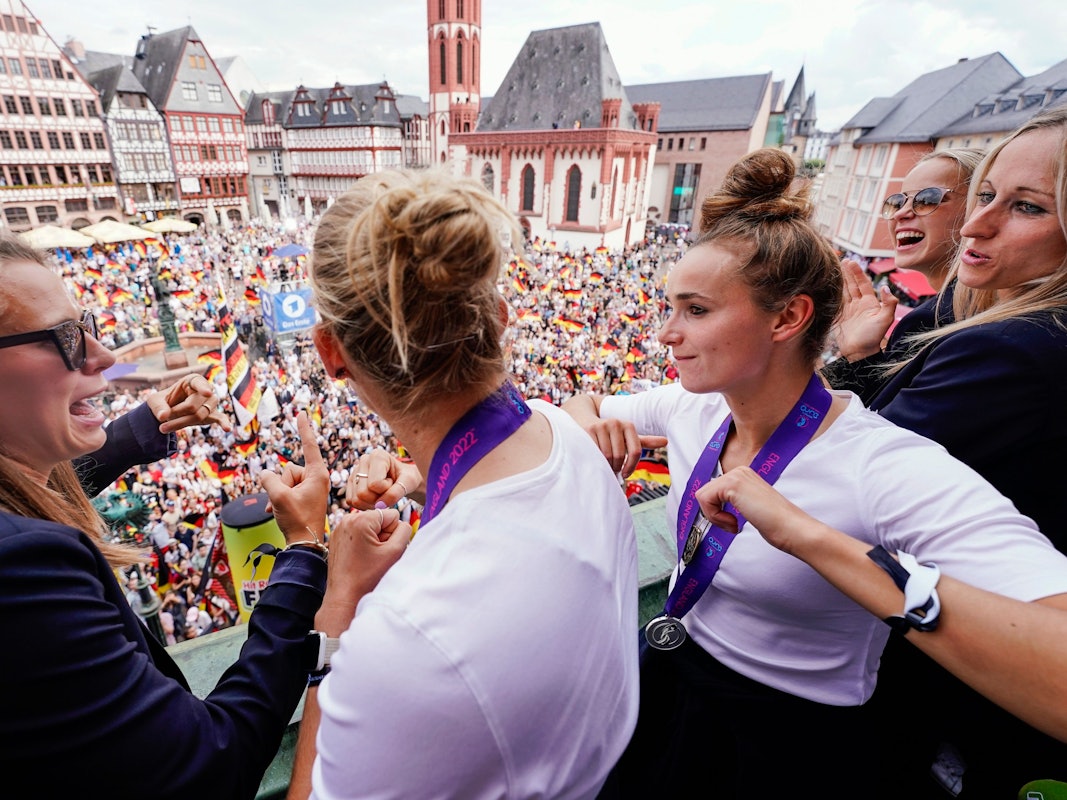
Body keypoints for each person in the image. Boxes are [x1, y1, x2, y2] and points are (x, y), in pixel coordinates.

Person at [561, 148, 1067, 797]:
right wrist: (585, 420)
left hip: (792, 745)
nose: (664, 333)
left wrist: (808, 536)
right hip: (675, 690)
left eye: (695, 310)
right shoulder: (691, 407)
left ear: (788, 317)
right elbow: (570, 407)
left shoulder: (883, 465)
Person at [262, 167, 640, 799]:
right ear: (499, 315)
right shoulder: (564, 433)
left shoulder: (406, 636)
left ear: (331, 353)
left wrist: (340, 611)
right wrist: (422, 480)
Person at [0, 234, 356, 799]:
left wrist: (140, 431)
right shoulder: (20, 570)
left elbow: (22, 486)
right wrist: (305, 553)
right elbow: (213, 763)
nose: (103, 356)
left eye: (86, 325)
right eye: (65, 337)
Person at [692, 465, 1067, 745]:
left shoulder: (891, 465)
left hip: (802, 727)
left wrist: (806, 536)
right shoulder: (694, 405)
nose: (673, 352)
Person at [822, 147, 984, 402]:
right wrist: (859, 353)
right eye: (898, 201)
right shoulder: (950, 310)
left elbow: (878, 428)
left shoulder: (941, 322)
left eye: (927, 199)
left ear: (980, 208)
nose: (900, 213)